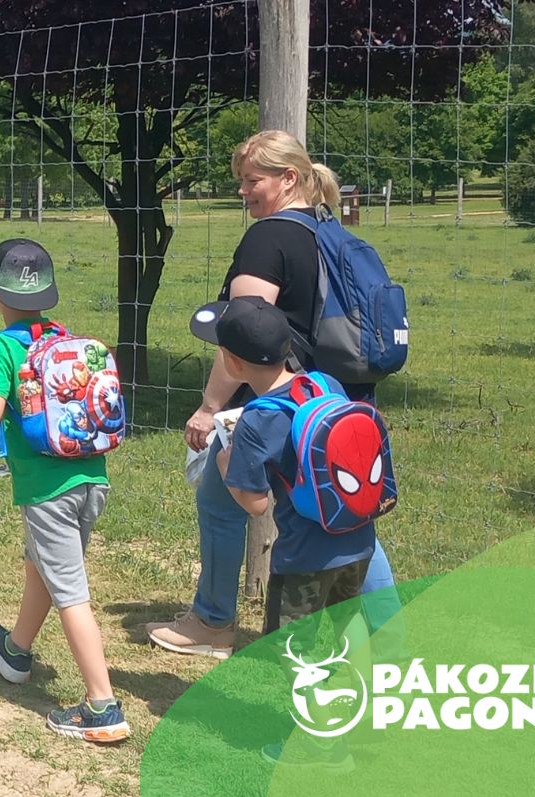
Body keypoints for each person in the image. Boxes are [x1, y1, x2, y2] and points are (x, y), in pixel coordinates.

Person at [153, 130, 396, 659]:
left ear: (289, 179)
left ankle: (213, 622)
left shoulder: (268, 239)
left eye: (251, 180)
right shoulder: (329, 231)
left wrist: (211, 406)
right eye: (240, 180)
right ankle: (391, 630)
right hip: (336, 399)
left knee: (223, 497)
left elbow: (241, 331)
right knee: (347, 511)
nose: (242, 191)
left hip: (282, 406)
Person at [0, 238, 128, 743]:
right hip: (91, 479)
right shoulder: (63, 338)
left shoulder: (1, 348)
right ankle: (15, 651)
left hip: (46, 489)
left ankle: (102, 706)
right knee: (43, 563)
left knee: (71, 592)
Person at [194, 295, 373, 770]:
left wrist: (231, 466)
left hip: (305, 557)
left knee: (297, 651)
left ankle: (319, 749)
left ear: (231, 363)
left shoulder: (257, 418)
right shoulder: (324, 382)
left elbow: (255, 503)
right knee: (345, 631)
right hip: (356, 539)